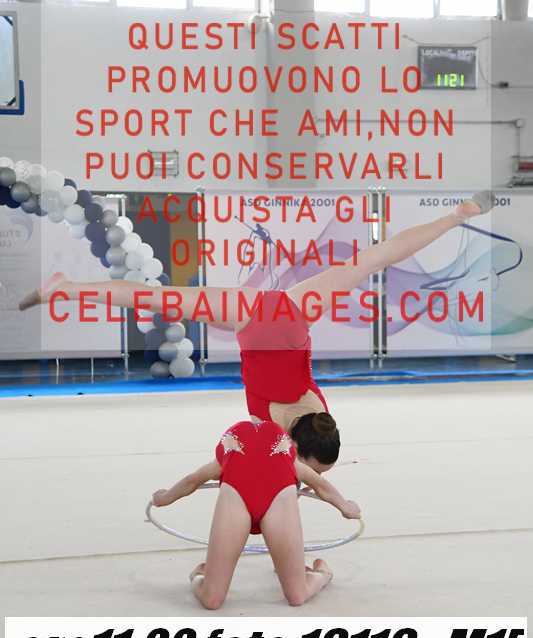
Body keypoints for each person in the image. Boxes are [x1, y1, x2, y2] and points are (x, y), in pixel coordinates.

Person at [19, 191, 495, 471]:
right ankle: (68, 288)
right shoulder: (269, 428)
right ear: (297, 447)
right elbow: (281, 468)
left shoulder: (316, 415)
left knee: (374, 258)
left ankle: (68, 288)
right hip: (258, 321)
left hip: (288, 311)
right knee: (155, 299)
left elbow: (303, 453)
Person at [151, 418, 361, 610]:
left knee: (297, 595)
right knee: (211, 599)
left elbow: (193, 480)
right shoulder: (273, 452)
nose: (318, 474)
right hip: (238, 495)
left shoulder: (289, 454)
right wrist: (165, 497)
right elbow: (320, 484)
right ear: (298, 449)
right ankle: (199, 576)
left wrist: (345, 506)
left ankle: (322, 573)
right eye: (318, 470)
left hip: (274, 497)